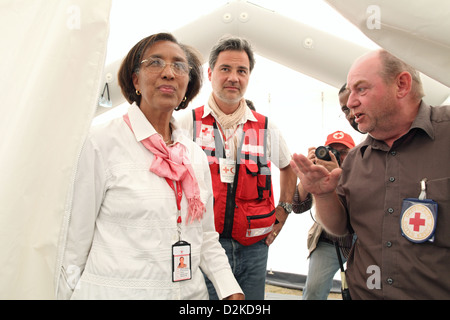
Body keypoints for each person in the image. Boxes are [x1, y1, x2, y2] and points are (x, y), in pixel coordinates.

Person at [57, 33, 244, 300]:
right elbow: (74, 244)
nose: (169, 73)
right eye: (155, 62)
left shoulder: (193, 155)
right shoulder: (100, 143)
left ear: (187, 84)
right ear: (136, 81)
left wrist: (230, 290)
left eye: (179, 66)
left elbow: (205, 237)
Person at [291, 49, 450, 299]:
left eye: (361, 89)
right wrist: (323, 195)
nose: (351, 102)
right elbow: (340, 227)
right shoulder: (355, 160)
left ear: (401, 84)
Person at [178, 36, 297, 300]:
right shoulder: (188, 122)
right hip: (206, 245)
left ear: (249, 76)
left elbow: (289, 168)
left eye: (241, 71)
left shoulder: (267, 127)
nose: (234, 77)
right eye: (225, 69)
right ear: (210, 73)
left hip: (255, 246)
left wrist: (284, 211)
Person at [293, 131, 355, 300]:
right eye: (332, 151)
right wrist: (308, 174)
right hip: (328, 240)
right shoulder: (319, 171)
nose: (337, 155)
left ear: (354, 154)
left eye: (343, 152)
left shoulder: (362, 170)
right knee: (314, 290)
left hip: (360, 242)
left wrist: (341, 176)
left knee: (361, 291)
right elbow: (297, 206)